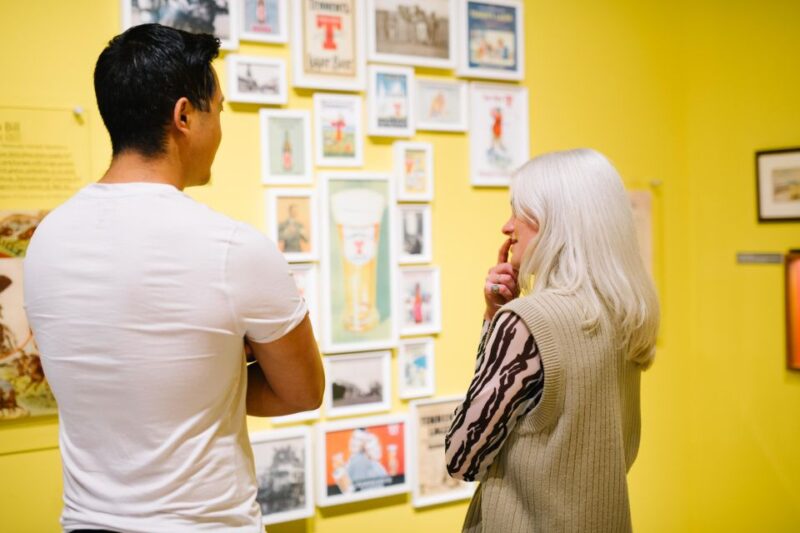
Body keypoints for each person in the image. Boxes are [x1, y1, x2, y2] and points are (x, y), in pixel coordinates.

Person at [23, 24, 324, 532]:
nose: (221, 128)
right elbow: (303, 390)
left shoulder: (46, 241)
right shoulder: (234, 249)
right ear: (185, 116)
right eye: (220, 110)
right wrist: (222, 370)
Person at [445, 149, 659, 532]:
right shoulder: (627, 311)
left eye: (517, 211)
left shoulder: (526, 322)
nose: (507, 227)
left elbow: (462, 455)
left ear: (555, 223)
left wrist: (496, 319)